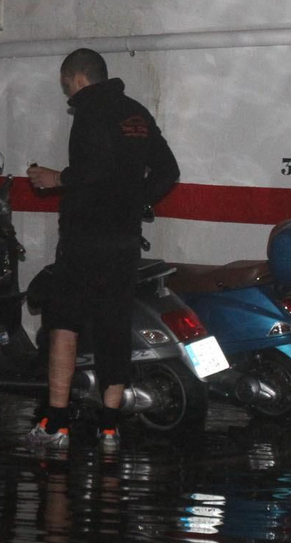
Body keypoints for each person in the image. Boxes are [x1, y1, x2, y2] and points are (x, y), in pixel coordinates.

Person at [24, 47, 180, 452]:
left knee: (64, 323)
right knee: (114, 326)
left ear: (78, 78)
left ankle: (56, 424)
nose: (67, 94)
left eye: (65, 85)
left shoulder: (90, 111)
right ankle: (110, 427)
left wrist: (53, 178)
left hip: (85, 238)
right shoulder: (136, 114)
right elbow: (169, 171)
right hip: (124, 240)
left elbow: (93, 172)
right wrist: (138, 202)